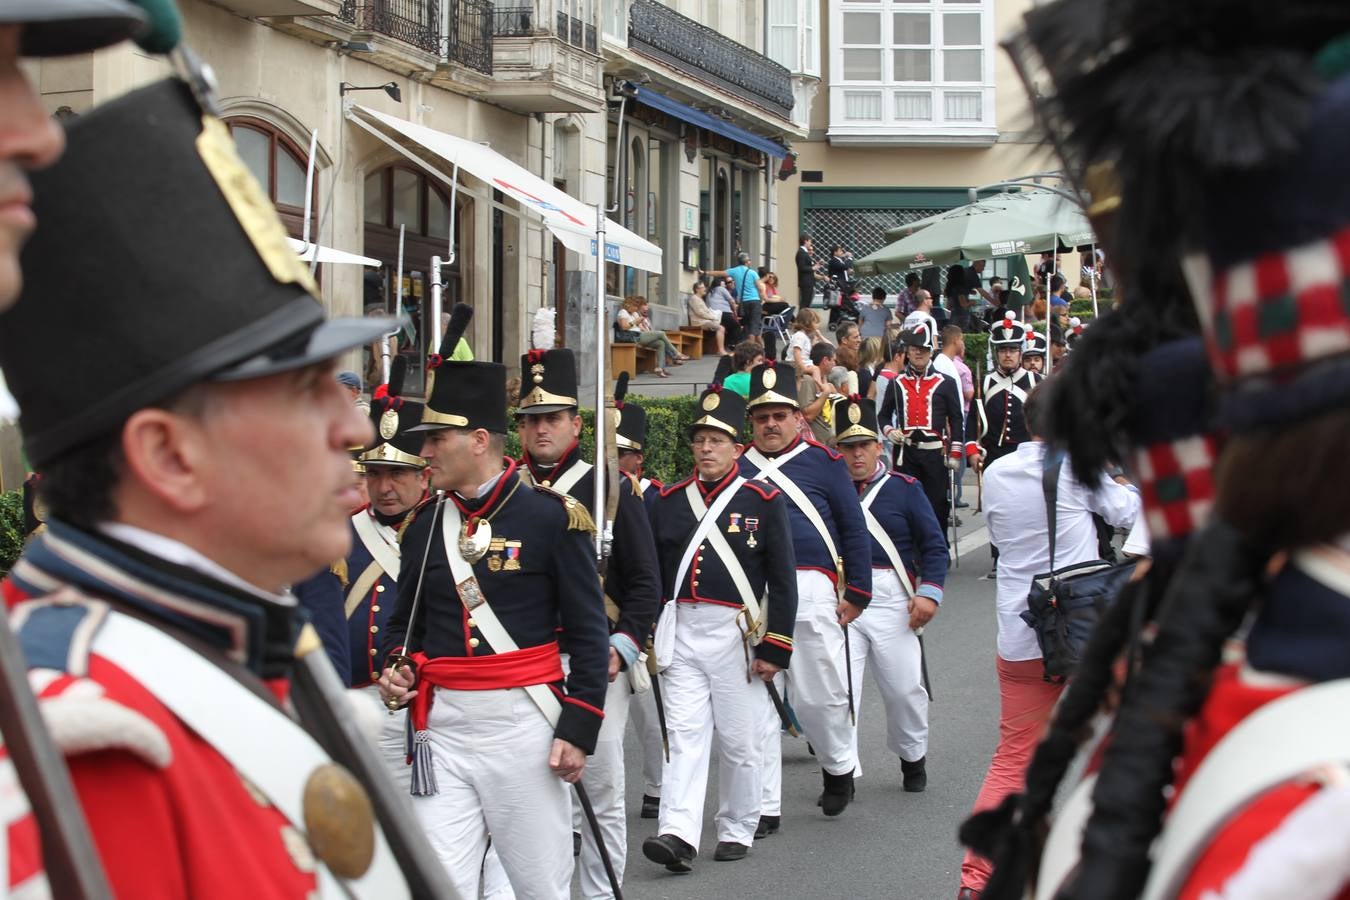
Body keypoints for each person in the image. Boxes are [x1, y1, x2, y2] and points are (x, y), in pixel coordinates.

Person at [1, 77, 421, 896]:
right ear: (169, 457)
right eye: (303, 391)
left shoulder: (253, 640)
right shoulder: (74, 744)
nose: (357, 432)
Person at [377, 342, 610, 899]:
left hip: (523, 725)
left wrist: (577, 729)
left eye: (436, 439)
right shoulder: (424, 526)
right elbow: (400, 628)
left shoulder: (552, 518)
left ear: (479, 441)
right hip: (444, 730)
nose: (425, 452)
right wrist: (397, 668)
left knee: (538, 885)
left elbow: (587, 630)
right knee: (437, 884)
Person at [961, 382, 1139, 899]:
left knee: (1013, 758)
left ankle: (977, 879)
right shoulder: (1078, 467)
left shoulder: (994, 472)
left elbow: (998, 536)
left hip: (1021, 632)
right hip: (1085, 632)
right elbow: (1129, 515)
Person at [506, 348, 660, 899]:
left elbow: (644, 584)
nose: (540, 429)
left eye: (552, 418)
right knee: (522, 793)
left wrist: (621, 644)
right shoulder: (505, 490)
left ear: (576, 423)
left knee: (599, 789)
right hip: (521, 663)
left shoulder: (610, 487)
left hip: (593, 656)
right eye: (531, 419)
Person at [641, 385, 797, 873]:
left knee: (738, 737)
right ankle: (678, 834)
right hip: (682, 629)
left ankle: (737, 825)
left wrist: (776, 646)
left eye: (717, 440)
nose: (706, 448)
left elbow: (783, 580)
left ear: (737, 448)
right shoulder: (665, 501)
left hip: (735, 633)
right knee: (684, 736)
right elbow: (651, 573)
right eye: (699, 439)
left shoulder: (762, 500)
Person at [739, 362, 873, 826]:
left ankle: (838, 766)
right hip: (751, 596)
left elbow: (853, 528)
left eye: (780, 414)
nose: (771, 424)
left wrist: (857, 590)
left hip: (811, 586)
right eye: (762, 417)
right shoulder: (737, 466)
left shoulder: (825, 462)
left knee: (820, 695)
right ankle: (762, 807)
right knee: (755, 704)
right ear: (751, 423)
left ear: (799, 417)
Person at [294, 357, 430, 751]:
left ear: (424, 477)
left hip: (425, 702)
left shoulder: (444, 532)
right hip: (356, 699)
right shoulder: (336, 535)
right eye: (374, 474)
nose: (384, 487)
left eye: (397, 475)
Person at [836, 398, 947, 793]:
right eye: (848, 446)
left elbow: (935, 547)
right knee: (839, 690)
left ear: (879, 446)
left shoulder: (905, 489)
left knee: (904, 690)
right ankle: (841, 773)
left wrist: (929, 595)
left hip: (892, 597)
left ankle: (912, 757)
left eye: (864, 444)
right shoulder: (826, 492)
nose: (857, 454)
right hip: (842, 597)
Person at [612, 383, 668, 821]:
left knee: (651, 713)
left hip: (646, 617)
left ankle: (657, 785)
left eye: (622, 452)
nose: (614, 460)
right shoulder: (592, 493)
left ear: (638, 458)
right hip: (602, 619)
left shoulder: (654, 497)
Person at [878, 329, 969, 533]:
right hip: (907, 454)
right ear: (907, 352)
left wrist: (955, 453)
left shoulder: (946, 383)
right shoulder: (896, 383)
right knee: (907, 504)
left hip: (935, 456)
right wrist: (890, 431)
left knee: (937, 505)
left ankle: (938, 551)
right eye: (914, 349)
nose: (919, 353)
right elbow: (883, 415)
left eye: (924, 349)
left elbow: (956, 419)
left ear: (930, 352)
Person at [939, 326, 975, 509]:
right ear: (955, 340)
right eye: (961, 339)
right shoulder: (943, 364)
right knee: (953, 467)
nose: (963, 344)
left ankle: (952, 498)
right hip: (949, 427)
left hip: (956, 422)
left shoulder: (949, 363)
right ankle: (950, 498)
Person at [703, 252, 765, 345]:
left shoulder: (734, 271)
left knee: (747, 325)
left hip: (743, 302)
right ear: (747, 262)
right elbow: (760, 288)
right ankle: (753, 350)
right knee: (754, 325)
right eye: (749, 260)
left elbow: (719, 273)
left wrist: (705, 272)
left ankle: (752, 349)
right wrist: (762, 299)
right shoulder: (752, 273)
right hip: (754, 301)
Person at [617, 295, 687, 377]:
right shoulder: (623, 312)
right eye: (635, 306)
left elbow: (640, 327)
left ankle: (660, 369)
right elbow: (624, 327)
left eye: (637, 307)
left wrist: (645, 329)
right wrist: (635, 321)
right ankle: (675, 354)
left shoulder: (634, 313)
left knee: (660, 343)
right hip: (632, 337)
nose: (636, 308)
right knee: (661, 333)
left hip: (639, 334)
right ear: (629, 305)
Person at [798, 343, 841, 446]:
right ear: (825, 360)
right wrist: (825, 394)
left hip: (827, 444)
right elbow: (808, 415)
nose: (835, 364)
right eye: (833, 360)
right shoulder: (808, 380)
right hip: (815, 445)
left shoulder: (825, 382)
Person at [686, 279, 730, 356]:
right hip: (699, 322)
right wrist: (713, 317)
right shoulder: (694, 298)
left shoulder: (699, 299)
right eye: (702, 287)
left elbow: (705, 312)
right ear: (697, 289)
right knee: (721, 328)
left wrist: (713, 316)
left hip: (704, 321)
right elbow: (700, 313)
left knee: (722, 326)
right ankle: (721, 350)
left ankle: (720, 349)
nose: (704, 289)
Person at [700, 276, 743, 346]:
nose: (725, 285)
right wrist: (735, 311)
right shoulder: (721, 289)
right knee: (736, 326)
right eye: (723, 284)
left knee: (725, 327)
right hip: (723, 313)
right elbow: (731, 301)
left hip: (713, 315)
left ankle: (728, 344)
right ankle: (733, 344)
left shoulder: (709, 291)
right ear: (719, 284)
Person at [788, 307, 829, 379]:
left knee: (820, 370)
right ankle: (818, 387)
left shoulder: (804, 336)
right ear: (807, 323)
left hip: (803, 362)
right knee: (816, 369)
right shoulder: (800, 336)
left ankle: (821, 387)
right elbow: (796, 352)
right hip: (795, 364)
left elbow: (804, 352)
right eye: (815, 322)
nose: (818, 325)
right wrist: (803, 368)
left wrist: (813, 344)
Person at [795, 234, 822, 311]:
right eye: (810, 241)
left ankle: (804, 320)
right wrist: (813, 268)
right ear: (805, 241)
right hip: (806, 282)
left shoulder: (804, 252)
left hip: (808, 281)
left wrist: (816, 265)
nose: (810, 243)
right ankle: (801, 320)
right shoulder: (801, 252)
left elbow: (806, 266)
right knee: (805, 303)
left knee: (807, 303)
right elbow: (802, 267)